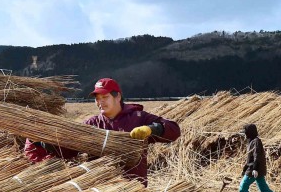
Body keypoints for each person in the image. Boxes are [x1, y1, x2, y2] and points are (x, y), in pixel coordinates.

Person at [24, 78, 180, 185]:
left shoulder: (138, 117)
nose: (99, 102)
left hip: (132, 186)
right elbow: (70, 150)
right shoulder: (92, 123)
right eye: (97, 98)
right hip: (101, 186)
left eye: (104, 97)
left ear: (117, 96)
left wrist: (152, 129)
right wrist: (43, 142)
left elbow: (174, 130)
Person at [237, 123, 281, 192]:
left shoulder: (256, 142)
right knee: (264, 189)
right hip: (255, 169)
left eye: (245, 132)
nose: (244, 135)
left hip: (254, 169)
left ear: (249, 132)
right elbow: (249, 158)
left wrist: (255, 169)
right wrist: (244, 169)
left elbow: (257, 156)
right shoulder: (251, 141)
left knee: (243, 187)